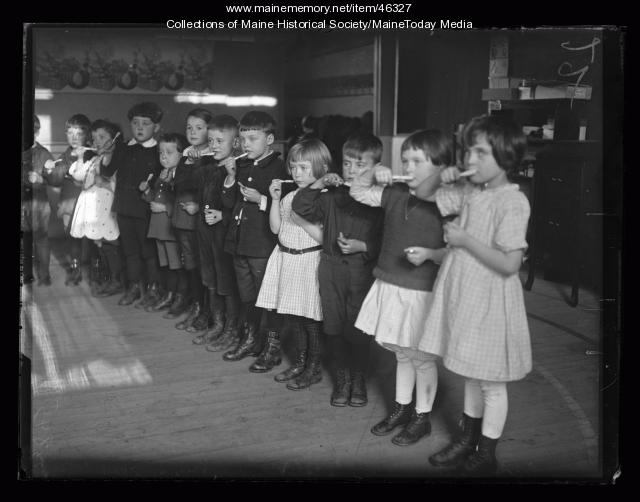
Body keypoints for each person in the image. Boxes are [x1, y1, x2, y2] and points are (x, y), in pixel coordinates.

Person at [418, 115, 531, 475]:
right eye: (468, 152)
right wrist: (441, 173)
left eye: (480, 153)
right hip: (465, 295)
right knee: (471, 373)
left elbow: (511, 263)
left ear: (506, 155)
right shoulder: (472, 190)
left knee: (491, 383)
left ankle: (486, 452)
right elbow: (423, 192)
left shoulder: (512, 203)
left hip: (491, 301)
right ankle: (468, 440)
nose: (470, 160)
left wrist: (465, 240)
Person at [349, 129, 450, 447]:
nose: (408, 166)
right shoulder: (394, 192)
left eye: (417, 161)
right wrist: (368, 172)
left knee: (421, 358)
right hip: (392, 284)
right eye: (405, 160)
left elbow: (458, 249)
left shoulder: (448, 203)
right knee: (402, 356)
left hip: (423, 292)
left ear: (441, 166)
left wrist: (432, 255)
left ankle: (422, 418)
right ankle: (401, 409)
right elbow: (358, 192)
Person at [291, 133, 383, 406]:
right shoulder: (332, 196)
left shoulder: (379, 200)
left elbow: (388, 240)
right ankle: (341, 380)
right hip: (330, 268)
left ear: (376, 168)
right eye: (347, 163)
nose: (352, 170)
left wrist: (363, 246)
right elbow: (300, 206)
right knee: (333, 326)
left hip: (361, 270)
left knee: (358, 328)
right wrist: (319, 182)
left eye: (360, 164)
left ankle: (358, 380)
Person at [252, 139, 325, 386]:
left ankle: (313, 368)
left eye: (304, 168)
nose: (297, 173)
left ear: (321, 168)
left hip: (308, 261)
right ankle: (300, 363)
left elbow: (325, 238)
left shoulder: (323, 198)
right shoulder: (289, 195)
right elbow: (276, 228)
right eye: (294, 167)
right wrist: (274, 199)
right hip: (285, 259)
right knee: (293, 318)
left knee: (310, 320)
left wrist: (300, 218)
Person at [221, 111, 289, 363]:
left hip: (262, 246)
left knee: (267, 298)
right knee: (247, 297)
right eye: (243, 138)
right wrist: (229, 177)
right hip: (240, 243)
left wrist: (260, 199)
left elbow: (285, 210)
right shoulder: (242, 165)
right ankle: (251, 340)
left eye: (253, 138)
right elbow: (228, 203)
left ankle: (272, 348)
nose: (246, 144)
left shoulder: (280, 168)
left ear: (269, 139)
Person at [100, 102, 163, 306]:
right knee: (130, 251)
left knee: (148, 252)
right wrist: (108, 154)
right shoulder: (124, 147)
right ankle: (134, 287)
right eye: (135, 123)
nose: (140, 127)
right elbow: (107, 172)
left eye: (146, 123)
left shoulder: (159, 151)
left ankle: (153, 289)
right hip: (124, 207)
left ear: (157, 127)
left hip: (146, 210)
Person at [191, 115, 242, 352]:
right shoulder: (208, 167)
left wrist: (224, 217)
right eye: (211, 141)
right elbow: (188, 186)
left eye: (220, 141)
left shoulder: (239, 170)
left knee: (226, 283)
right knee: (209, 279)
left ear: (236, 143)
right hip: (204, 233)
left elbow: (244, 210)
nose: (214, 146)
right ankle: (217, 324)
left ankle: (231, 330)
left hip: (224, 236)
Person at [168, 109, 212, 330]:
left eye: (199, 127)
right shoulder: (187, 154)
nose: (193, 132)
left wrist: (195, 165)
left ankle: (205, 311)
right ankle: (196, 306)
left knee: (203, 267)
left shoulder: (211, 156)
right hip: (183, 220)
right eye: (189, 127)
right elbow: (181, 184)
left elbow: (201, 185)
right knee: (190, 265)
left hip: (200, 221)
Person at [68, 119, 122, 296]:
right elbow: (79, 175)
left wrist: (103, 183)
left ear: (114, 139)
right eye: (94, 137)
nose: (97, 141)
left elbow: (119, 186)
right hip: (93, 209)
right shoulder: (95, 159)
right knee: (98, 245)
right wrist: (82, 157)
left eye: (102, 137)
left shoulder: (117, 160)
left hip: (106, 208)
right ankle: (104, 278)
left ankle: (115, 279)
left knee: (109, 245)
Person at [138, 133, 189, 315]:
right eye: (161, 153)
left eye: (169, 152)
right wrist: (146, 192)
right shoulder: (163, 174)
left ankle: (179, 298)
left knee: (176, 267)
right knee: (166, 266)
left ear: (182, 155)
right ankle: (169, 295)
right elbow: (154, 199)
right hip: (158, 229)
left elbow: (179, 202)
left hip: (170, 229)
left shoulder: (181, 178)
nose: (164, 156)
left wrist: (165, 207)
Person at [45, 113, 92, 285]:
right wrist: (50, 170)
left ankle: (96, 268)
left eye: (78, 133)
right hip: (68, 201)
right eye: (70, 133)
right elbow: (55, 179)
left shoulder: (90, 154)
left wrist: (65, 169)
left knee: (92, 235)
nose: (74, 137)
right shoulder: (66, 153)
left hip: (86, 202)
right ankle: (75, 268)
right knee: (72, 235)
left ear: (87, 135)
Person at [22, 115, 55, 285]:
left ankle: (45, 275)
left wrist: (41, 179)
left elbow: (55, 180)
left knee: (40, 239)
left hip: (37, 203)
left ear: (36, 131)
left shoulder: (43, 154)